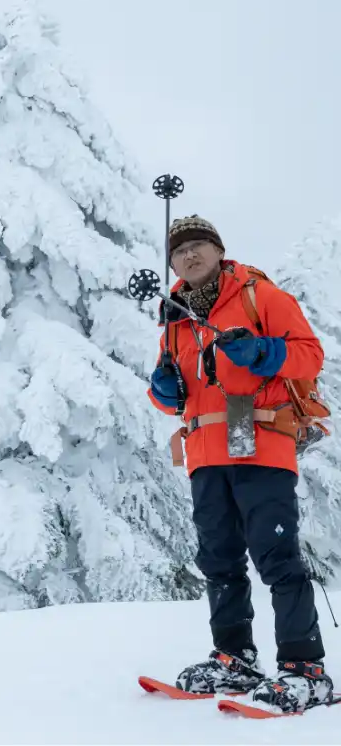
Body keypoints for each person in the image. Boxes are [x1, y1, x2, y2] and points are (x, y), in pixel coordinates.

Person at [148, 215, 331, 713]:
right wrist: (163, 390)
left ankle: (305, 669)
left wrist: (265, 352)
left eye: (198, 245)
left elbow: (309, 356)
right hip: (206, 453)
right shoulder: (176, 318)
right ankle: (235, 658)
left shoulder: (258, 295)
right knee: (219, 561)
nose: (188, 255)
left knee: (276, 557)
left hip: (260, 442)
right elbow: (177, 396)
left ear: (218, 250)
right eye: (179, 251)